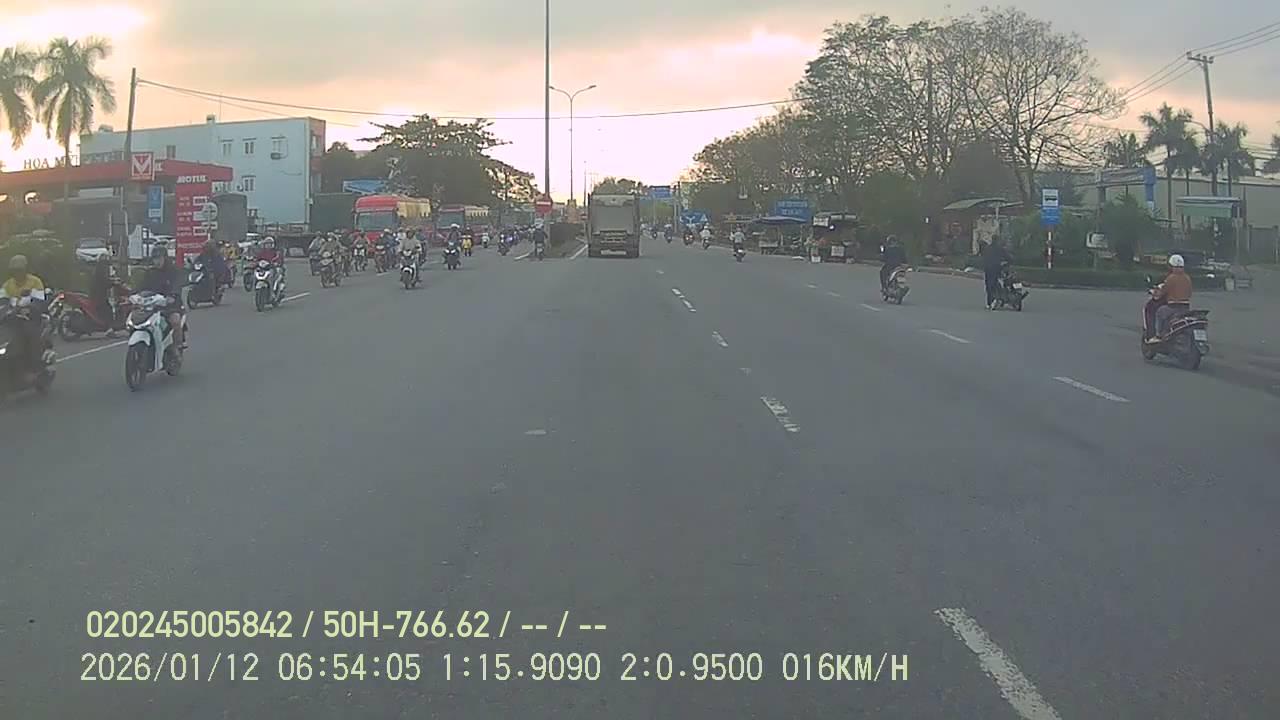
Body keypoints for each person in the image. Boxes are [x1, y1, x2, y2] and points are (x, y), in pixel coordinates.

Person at [1, 254, 49, 372]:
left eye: (19, 270)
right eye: (15, 270)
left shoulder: (35, 282)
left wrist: (30, 308)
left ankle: (35, 366)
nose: (17, 273)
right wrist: (6, 310)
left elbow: (39, 302)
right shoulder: (7, 285)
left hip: (31, 318)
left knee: (30, 334)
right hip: (12, 319)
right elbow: (2, 302)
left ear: (25, 269)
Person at [138, 246, 186, 349]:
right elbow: (141, 287)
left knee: (175, 321)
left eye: (159, 258)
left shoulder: (173, 271)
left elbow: (177, 285)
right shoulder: (150, 272)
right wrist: (134, 295)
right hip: (153, 306)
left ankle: (178, 345)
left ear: (165, 258)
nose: (157, 261)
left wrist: (172, 295)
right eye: (155, 259)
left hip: (171, 306)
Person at [1147, 254, 1193, 342]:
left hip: (1173, 307)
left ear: (1172, 266)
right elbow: (1190, 293)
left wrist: (1156, 293)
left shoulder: (1171, 278)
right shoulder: (1187, 278)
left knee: (1160, 312)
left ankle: (1158, 335)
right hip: (1186, 308)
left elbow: (1163, 292)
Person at [981, 238, 1011, 310]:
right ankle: (997, 298)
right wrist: (1009, 261)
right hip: (996, 268)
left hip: (988, 269)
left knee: (988, 285)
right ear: (997, 241)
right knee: (996, 282)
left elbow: (983, 258)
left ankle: (989, 303)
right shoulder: (1000, 249)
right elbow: (1008, 257)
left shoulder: (987, 248)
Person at [88, 254, 117, 326]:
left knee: (106, 307)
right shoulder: (102, 269)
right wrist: (113, 283)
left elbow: (105, 279)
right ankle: (108, 327)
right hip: (98, 295)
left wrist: (113, 280)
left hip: (97, 293)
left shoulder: (99, 268)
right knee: (108, 309)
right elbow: (104, 281)